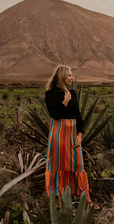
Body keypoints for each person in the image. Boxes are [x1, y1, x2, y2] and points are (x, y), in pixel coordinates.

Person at [44, 65, 90, 200]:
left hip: (73, 133)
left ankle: (85, 197)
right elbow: (55, 114)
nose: (71, 78)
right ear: (62, 77)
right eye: (69, 75)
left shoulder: (72, 93)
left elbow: (78, 115)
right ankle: (56, 198)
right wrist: (65, 101)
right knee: (57, 164)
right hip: (58, 133)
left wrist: (80, 134)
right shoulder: (50, 94)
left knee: (78, 164)